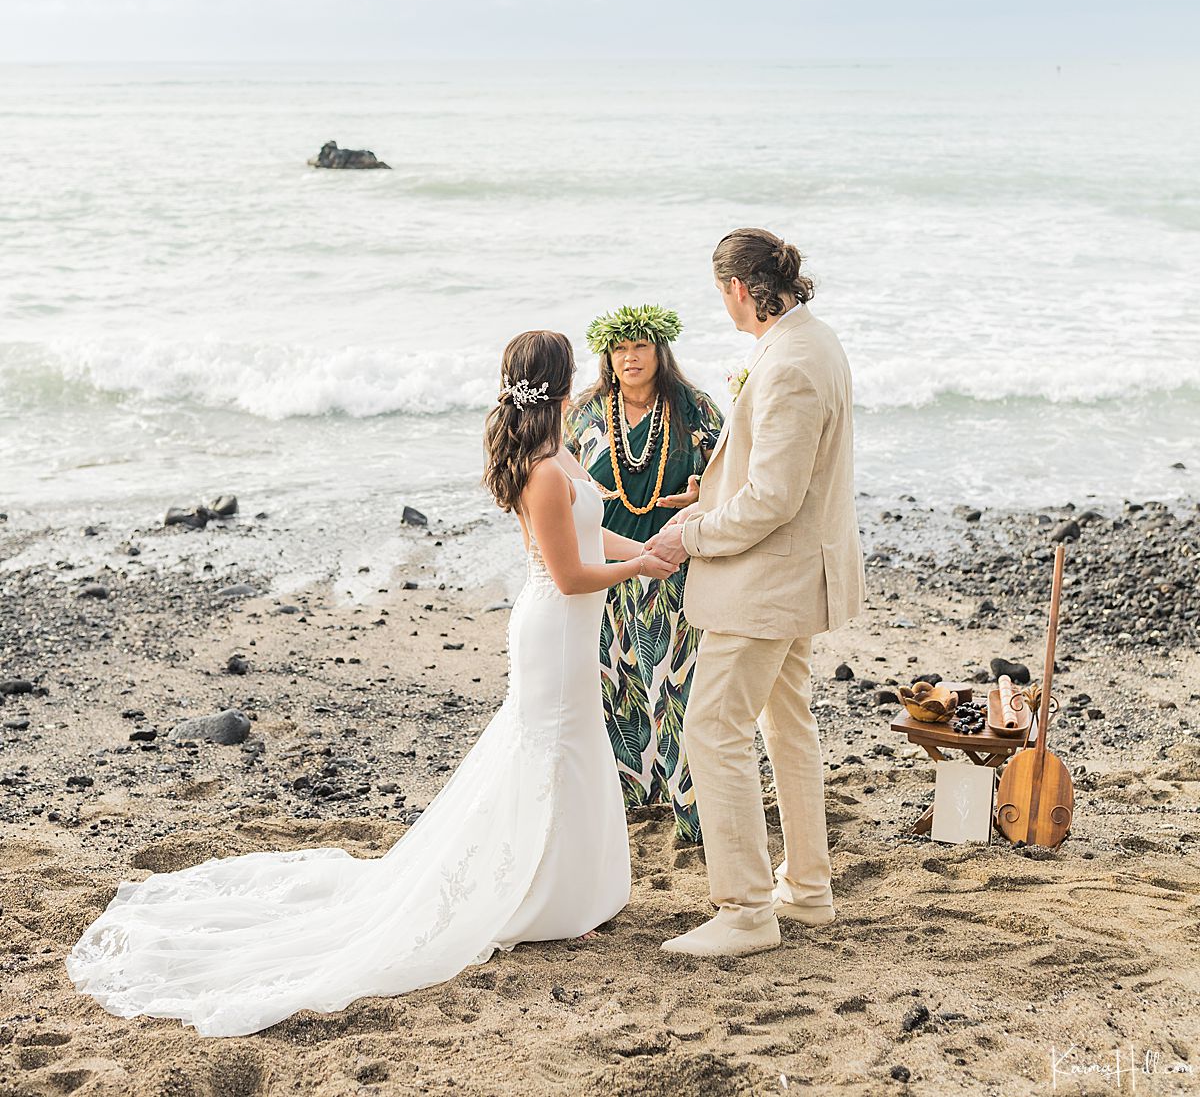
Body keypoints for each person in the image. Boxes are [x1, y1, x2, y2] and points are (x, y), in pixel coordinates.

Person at [65, 330, 675, 1037]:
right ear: (564, 383)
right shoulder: (540, 470)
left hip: (570, 629)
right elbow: (568, 573)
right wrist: (637, 571)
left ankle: (564, 891)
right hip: (553, 626)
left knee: (567, 747)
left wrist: (651, 548)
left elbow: (592, 538)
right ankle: (536, 901)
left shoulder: (563, 453)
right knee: (547, 750)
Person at [649, 228, 867, 959]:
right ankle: (806, 889)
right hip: (794, 573)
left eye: (721, 292)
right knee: (785, 723)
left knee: (711, 729)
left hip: (770, 582)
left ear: (739, 288)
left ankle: (745, 911)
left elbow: (775, 497)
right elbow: (774, 471)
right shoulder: (811, 341)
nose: (723, 305)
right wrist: (709, 490)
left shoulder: (792, 364)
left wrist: (695, 534)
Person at [566, 303, 723, 844]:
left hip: (674, 566)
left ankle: (695, 812)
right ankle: (630, 797)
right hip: (605, 569)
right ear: (608, 355)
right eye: (620, 348)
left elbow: (733, 475)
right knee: (615, 682)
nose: (630, 357)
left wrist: (703, 492)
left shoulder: (694, 408)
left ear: (661, 351)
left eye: (641, 346)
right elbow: (555, 482)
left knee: (677, 686)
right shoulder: (585, 413)